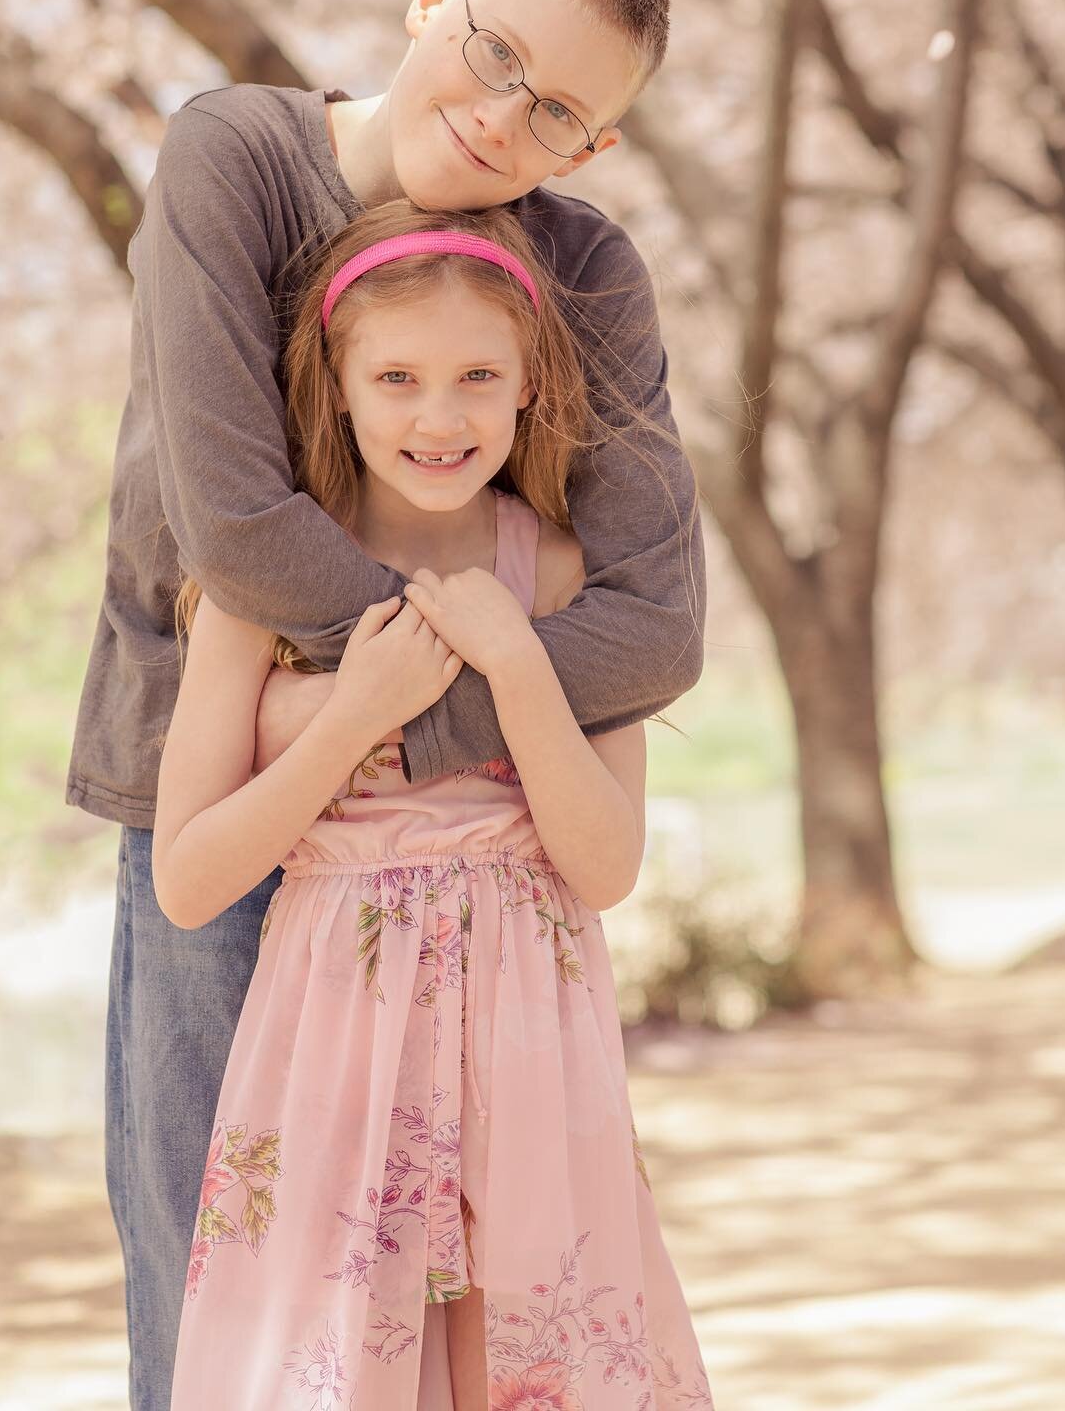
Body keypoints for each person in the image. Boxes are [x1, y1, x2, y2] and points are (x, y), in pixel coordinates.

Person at [66, 0, 706, 1408]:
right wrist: (350, 713)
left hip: (483, 872)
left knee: (493, 1300)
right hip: (217, 786)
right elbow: (241, 532)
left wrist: (358, 716)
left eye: (561, 114)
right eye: (494, 56)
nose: (502, 119)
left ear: (594, 147)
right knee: (232, 1284)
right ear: (434, 0)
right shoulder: (235, 160)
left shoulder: (584, 278)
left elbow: (654, 621)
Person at [156, 202, 711, 1407]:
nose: (440, 416)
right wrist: (356, 714)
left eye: (477, 377)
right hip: (335, 1045)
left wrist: (520, 667)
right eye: (397, 377)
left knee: (534, 1360)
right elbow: (190, 880)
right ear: (339, 385)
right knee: (342, 1369)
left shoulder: (566, 576)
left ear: (531, 390)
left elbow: (607, 866)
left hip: (531, 1039)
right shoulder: (257, 593)